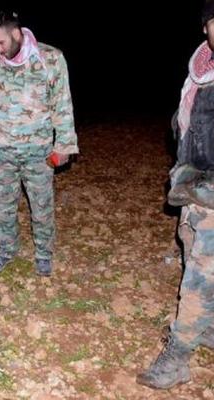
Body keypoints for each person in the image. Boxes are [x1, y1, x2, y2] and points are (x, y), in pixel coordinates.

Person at [0, 11, 78, 276]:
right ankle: (6, 251)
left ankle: (43, 254)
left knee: (42, 207)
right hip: (2, 151)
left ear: (16, 34)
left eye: (1, 43)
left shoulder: (51, 59)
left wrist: (64, 145)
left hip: (39, 151)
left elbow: (62, 105)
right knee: (4, 207)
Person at [137, 1, 214, 390]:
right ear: (206, 27)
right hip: (193, 192)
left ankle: (177, 358)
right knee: (191, 254)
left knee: (201, 276)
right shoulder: (199, 73)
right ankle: (210, 327)